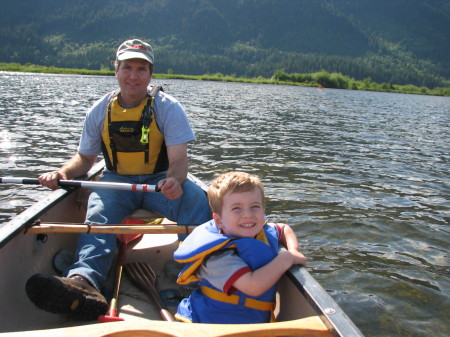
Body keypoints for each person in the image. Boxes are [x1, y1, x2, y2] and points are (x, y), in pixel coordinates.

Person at [25, 39, 211, 320]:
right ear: (116, 70)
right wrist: (62, 173)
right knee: (98, 214)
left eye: (140, 69)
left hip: (158, 182)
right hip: (116, 182)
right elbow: (85, 160)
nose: (133, 75)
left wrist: (174, 180)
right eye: (127, 68)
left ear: (150, 74)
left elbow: (178, 162)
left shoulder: (167, 107)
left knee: (199, 204)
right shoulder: (100, 110)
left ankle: (188, 276)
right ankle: (84, 281)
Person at [173, 171, 307, 324]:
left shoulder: (262, 230)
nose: (248, 215)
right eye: (237, 209)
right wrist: (286, 258)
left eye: (255, 206)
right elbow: (253, 286)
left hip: (251, 321)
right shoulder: (217, 257)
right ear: (219, 220)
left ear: (263, 210)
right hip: (212, 324)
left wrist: (294, 250)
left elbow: (284, 229)